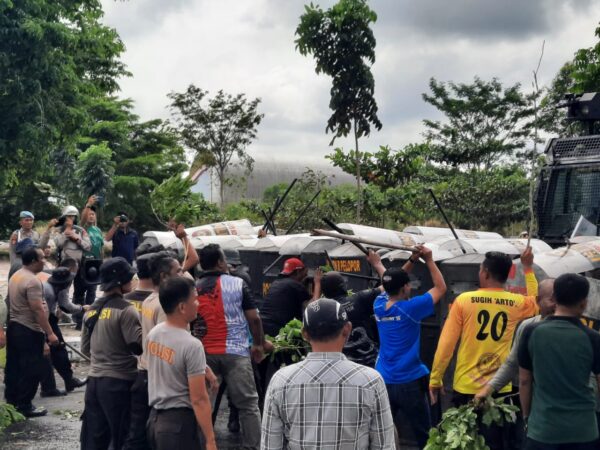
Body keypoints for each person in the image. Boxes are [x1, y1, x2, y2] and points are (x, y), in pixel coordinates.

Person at [429, 248, 539, 450]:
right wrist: (528, 267)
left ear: (485, 273)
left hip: (465, 388)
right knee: (494, 443)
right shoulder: (517, 303)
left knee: (464, 442)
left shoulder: (463, 301)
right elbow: (536, 300)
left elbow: (446, 345)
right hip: (499, 389)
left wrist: (436, 379)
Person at [261, 297, 396, 450]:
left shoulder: (280, 381)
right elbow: (384, 445)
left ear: (305, 334)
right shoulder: (371, 381)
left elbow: (270, 445)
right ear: (347, 329)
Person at [194, 244, 266, 450]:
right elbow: (254, 319)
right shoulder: (238, 283)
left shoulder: (194, 287)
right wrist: (258, 346)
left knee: (203, 404)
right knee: (248, 406)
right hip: (236, 353)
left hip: (204, 354)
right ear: (219, 262)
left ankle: (205, 445)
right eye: (224, 259)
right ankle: (252, 446)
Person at [374, 245, 446, 449]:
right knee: (424, 434)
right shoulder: (411, 309)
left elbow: (389, 281)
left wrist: (413, 260)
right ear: (405, 287)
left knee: (384, 432)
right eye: (409, 285)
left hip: (384, 380)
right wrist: (429, 260)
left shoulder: (378, 305)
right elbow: (441, 288)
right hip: (409, 382)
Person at [518, 273, 600, 450]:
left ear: (554, 298)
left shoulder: (531, 332)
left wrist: (526, 417)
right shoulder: (593, 338)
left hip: (542, 429)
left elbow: (524, 381)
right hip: (583, 431)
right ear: (584, 302)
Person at [475, 278, 556, 450]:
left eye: (559, 298)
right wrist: (487, 390)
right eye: (551, 299)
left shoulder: (574, 331)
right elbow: (512, 364)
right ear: (537, 301)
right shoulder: (527, 327)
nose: (556, 304)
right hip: (532, 407)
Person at [146, 277, 217, 450]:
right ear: (182, 307)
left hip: (154, 421)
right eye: (194, 299)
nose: (198, 304)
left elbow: (172, 362)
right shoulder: (192, 345)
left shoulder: (155, 333)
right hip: (179, 426)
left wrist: (203, 368)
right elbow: (199, 399)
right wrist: (210, 440)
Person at [80, 257, 142, 450]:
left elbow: (84, 350)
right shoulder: (127, 310)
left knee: (95, 438)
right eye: (130, 278)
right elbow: (137, 347)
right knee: (120, 436)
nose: (132, 281)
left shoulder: (90, 311)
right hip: (119, 384)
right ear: (120, 282)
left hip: (94, 383)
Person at [4, 247, 59, 417]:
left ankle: (12, 401)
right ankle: (25, 405)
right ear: (34, 261)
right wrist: (49, 333)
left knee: (14, 366)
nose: (45, 260)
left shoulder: (16, 275)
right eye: (42, 258)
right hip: (28, 330)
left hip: (14, 327)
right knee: (33, 369)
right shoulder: (32, 281)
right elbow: (37, 310)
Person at [319, 250, 386, 367]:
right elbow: (389, 286)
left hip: (343, 366)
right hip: (371, 362)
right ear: (343, 286)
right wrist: (377, 264)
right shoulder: (360, 298)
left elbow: (312, 307)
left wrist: (317, 285)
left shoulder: (323, 310)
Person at [38, 267, 88, 397]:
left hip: (49, 319)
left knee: (58, 351)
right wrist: (82, 308)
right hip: (44, 322)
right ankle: (50, 387)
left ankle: (68, 380)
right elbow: (66, 306)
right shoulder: (49, 291)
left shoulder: (54, 287)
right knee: (52, 352)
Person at [259, 257, 321, 337]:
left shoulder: (276, 282)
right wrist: (318, 282)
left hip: (262, 327)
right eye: (304, 274)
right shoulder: (294, 285)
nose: (305, 276)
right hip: (277, 329)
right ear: (298, 271)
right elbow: (314, 307)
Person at [77, 195, 106, 309]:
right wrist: (88, 205)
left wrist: (102, 263)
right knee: (79, 292)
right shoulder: (81, 228)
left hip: (95, 264)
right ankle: (78, 318)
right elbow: (83, 219)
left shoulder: (97, 230)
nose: (91, 216)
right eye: (89, 214)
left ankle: (89, 315)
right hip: (83, 263)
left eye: (93, 214)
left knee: (92, 292)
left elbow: (101, 248)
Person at [9, 211, 40, 277]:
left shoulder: (36, 234)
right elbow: (12, 252)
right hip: (20, 263)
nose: (29, 222)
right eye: (26, 220)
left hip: (32, 264)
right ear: (21, 222)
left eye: (31, 220)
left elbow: (38, 250)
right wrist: (14, 266)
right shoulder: (16, 234)